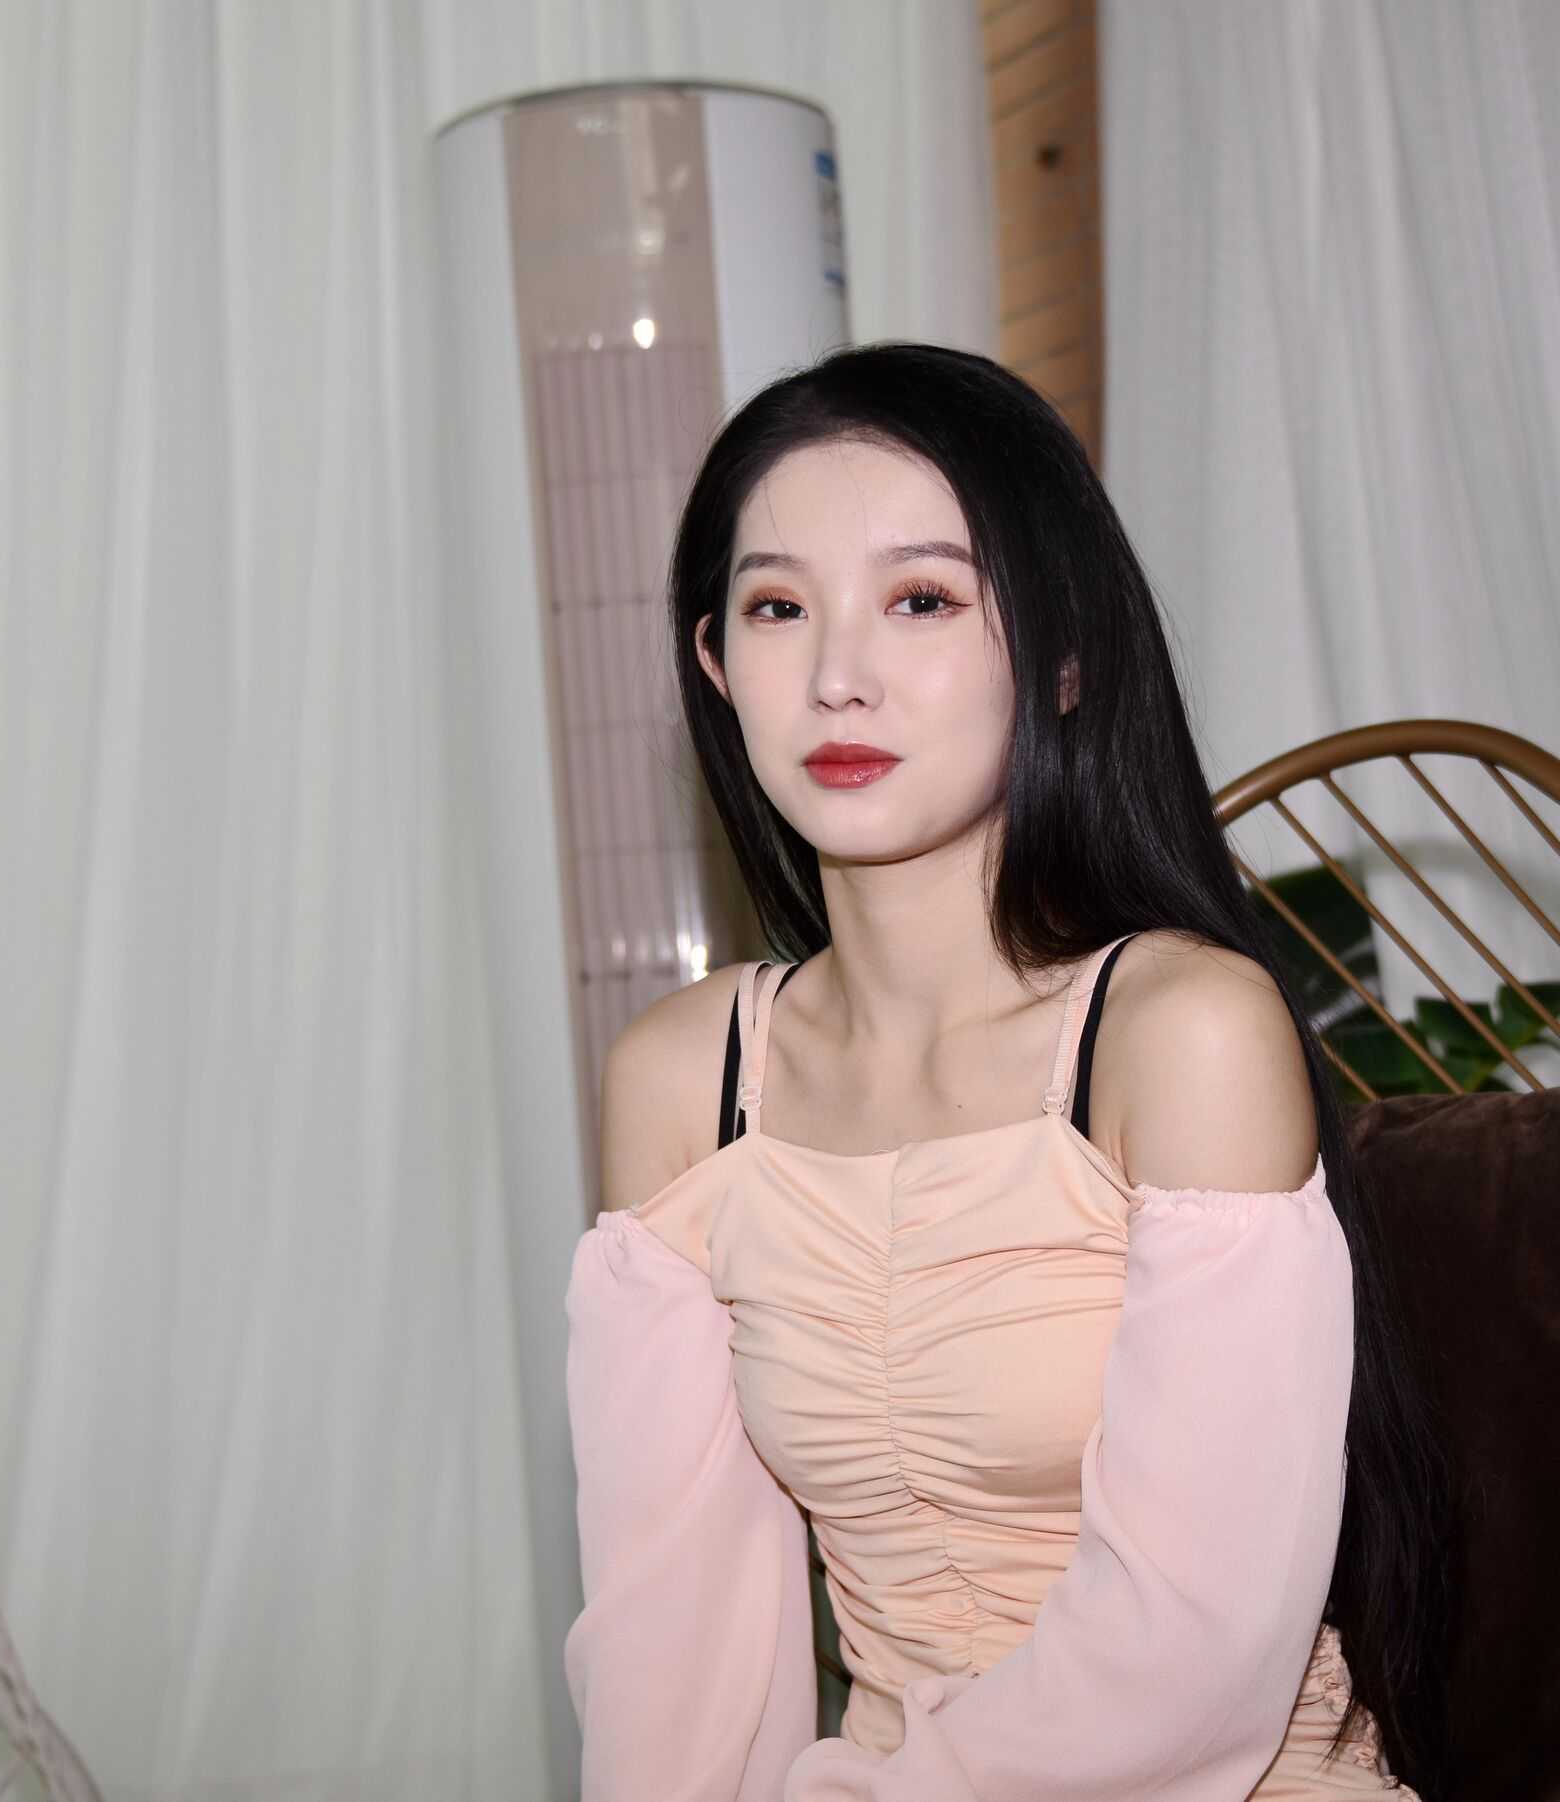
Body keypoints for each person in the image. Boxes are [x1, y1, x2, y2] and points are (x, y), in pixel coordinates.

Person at [561, 342, 1447, 1799]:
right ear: (715, 665)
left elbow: (1188, 1657)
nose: (838, 677)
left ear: (1064, 651)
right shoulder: (680, 1080)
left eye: (922, 599)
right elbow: (676, 1658)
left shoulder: (1184, 1034)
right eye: (779, 607)